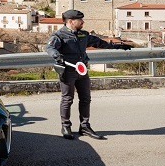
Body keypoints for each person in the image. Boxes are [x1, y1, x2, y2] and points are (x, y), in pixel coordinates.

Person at [46, 10, 132, 140]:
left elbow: (100, 43)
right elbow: (50, 48)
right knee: (67, 99)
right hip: (68, 71)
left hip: (82, 71)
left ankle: (85, 127)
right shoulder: (59, 35)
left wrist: (119, 46)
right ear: (71, 21)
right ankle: (66, 126)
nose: (83, 22)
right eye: (80, 20)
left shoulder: (83, 34)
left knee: (86, 99)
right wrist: (56, 55)